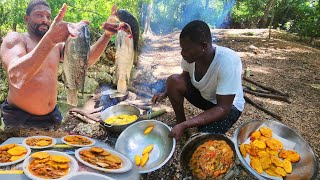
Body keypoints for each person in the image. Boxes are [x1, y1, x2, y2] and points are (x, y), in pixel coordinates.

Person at [0, 0, 128, 130]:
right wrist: (50, 39)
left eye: (48, 17)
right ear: (26, 19)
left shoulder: (55, 45)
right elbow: (16, 76)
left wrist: (106, 36)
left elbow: (85, 61)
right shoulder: (16, 38)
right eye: (39, 15)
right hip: (20, 119)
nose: (45, 19)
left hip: (52, 117)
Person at [152, 20, 245, 140]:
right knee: (173, 80)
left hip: (228, 107)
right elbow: (182, 78)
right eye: (182, 48)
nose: (182, 53)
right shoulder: (190, 58)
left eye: (186, 49)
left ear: (204, 46)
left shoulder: (228, 62)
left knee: (202, 139)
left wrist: (188, 124)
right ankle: (180, 124)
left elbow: (223, 108)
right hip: (207, 99)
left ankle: (183, 126)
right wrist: (165, 92)